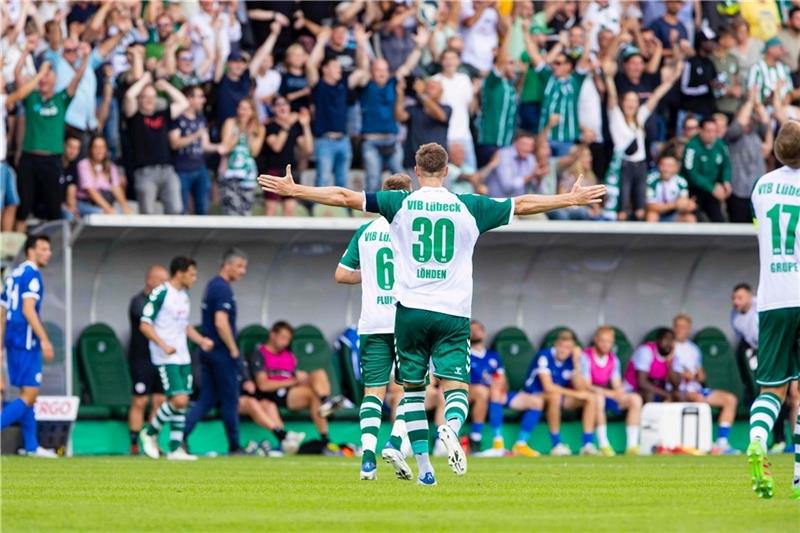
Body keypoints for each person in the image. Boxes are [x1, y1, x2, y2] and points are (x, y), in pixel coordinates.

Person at [258, 143, 606, 485]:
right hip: (453, 313)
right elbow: (524, 203)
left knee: (410, 393)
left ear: (416, 168)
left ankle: (424, 467)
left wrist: (295, 190)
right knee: (456, 387)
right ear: (448, 170)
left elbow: (343, 196)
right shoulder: (469, 205)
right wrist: (569, 199)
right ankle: (451, 428)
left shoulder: (400, 202)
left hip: (409, 313)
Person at [334, 174, 414, 481]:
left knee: (373, 392)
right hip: (404, 318)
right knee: (415, 386)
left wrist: (368, 275)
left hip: (371, 321)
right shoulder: (410, 228)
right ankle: (395, 441)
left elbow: (341, 275)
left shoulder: (366, 231)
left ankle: (367, 459)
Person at [746, 121, 800, 500]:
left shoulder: (762, 186)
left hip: (772, 298)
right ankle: (799, 474)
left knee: (772, 389)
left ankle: (757, 440)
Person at [138, 257, 213, 461]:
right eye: (192, 273)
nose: (194, 278)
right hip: (165, 356)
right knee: (178, 399)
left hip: (183, 355)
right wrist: (163, 344)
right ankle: (150, 432)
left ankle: (174, 448)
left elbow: (184, 325)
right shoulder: (161, 292)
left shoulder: (184, 296)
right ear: (179, 273)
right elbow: (144, 324)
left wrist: (201, 340)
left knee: (183, 400)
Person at [184, 249, 248, 455]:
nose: (243, 271)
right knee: (230, 399)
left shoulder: (213, 285)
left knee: (206, 400)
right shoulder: (222, 288)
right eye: (239, 266)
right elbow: (221, 323)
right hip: (221, 353)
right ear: (226, 265)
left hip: (209, 352)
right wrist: (233, 349)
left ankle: (180, 437)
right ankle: (235, 445)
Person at [603, 57, 683, 220]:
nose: (631, 104)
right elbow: (611, 96)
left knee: (640, 206)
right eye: (628, 101)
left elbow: (655, 97)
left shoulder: (640, 117)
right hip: (624, 165)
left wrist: (672, 79)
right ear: (623, 102)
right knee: (622, 205)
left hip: (640, 164)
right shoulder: (616, 117)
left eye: (635, 101)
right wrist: (609, 77)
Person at [0, 235, 57, 457]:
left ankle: (32, 447)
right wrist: (44, 338)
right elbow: (28, 309)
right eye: (44, 248)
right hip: (26, 340)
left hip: (12, 340)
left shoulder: (13, 275)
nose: (48, 253)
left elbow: (2, 313)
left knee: (26, 392)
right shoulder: (32, 274)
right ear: (31, 251)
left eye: (49, 249)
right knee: (30, 394)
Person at [15, 59, 87, 232]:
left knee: (54, 208)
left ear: (55, 81)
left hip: (52, 160)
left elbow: (77, 78)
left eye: (48, 76)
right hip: (30, 158)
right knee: (23, 206)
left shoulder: (60, 99)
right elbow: (17, 74)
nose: (44, 80)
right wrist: (26, 52)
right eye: (42, 77)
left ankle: (53, 249)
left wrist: (85, 57)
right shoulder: (31, 97)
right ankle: (14, 250)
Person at [251, 322, 344, 451]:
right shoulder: (260, 353)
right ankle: (325, 426)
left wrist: (301, 377)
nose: (285, 342)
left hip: (294, 390)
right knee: (313, 395)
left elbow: (294, 374)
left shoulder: (288, 355)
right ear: (273, 335)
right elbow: (263, 385)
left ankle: (325, 402)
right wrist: (293, 381)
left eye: (288, 339)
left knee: (319, 373)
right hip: (277, 394)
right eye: (283, 338)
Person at [731, 283, 800, 454]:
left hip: (783, 347)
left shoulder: (763, 303)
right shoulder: (735, 318)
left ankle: (786, 441)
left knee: (792, 396)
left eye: (739, 297)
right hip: (765, 353)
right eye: (734, 298)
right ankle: (779, 440)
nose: (736, 302)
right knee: (775, 395)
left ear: (749, 296)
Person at [306, 27, 369, 190]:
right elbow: (311, 65)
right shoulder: (318, 86)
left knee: (343, 182)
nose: (339, 70)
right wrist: (320, 42)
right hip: (324, 140)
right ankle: (319, 213)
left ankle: (343, 213)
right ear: (325, 69)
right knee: (323, 179)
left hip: (343, 140)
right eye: (335, 67)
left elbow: (362, 70)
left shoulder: (344, 85)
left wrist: (361, 44)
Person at [523, 331, 599, 456]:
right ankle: (556, 444)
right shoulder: (544, 356)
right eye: (561, 346)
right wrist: (575, 394)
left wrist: (576, 362)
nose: (564, 350)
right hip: (535, 394)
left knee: (590, 398)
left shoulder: (571, 360)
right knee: (555, 396)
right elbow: (548, 387)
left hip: (558, 396)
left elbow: (581, 388)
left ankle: (587, 444)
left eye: (568, 348)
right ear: (556, 345)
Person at [671, 314, 739, 453]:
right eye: (677, 326)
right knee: (698, 399)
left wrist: (699, 375)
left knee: (730, 399)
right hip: (680, 391)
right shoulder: (669, 346)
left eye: (683, 327)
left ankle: (722, 443)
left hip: (696, 389)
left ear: (689, 329)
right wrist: (684, 375)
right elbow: (668, 371)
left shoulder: (693, 349)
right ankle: (705, 442)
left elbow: (701, 375)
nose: (680, 329)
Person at [124, 73, 188, 215]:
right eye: (145, 97)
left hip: (167, 170)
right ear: (140, 99)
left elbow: (184, 103)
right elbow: (129, 96)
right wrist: (144, 80)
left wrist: (166, 87)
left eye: (152, 97)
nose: (149, 100)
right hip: (145, 172)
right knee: (147, 213)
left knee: (176, 208)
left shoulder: (163, 114)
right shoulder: (135, 117)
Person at [127, 265, 169, 455]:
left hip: (160, 359)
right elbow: (150, 322)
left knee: (160, 400)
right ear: (150, 281)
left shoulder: (165, 303)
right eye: (161, 281)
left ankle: (151, 441)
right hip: (141, 359)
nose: (165, 286)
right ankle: (134, 444)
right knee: (140, 401)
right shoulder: (138, 302)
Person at [582, 326, 642, 456]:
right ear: (596, 340)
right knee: (598, 398)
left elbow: (617, 384)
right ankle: (604, 445)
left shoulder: (613, 359)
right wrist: (609, 393)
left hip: (607, 395)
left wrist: (619, 393)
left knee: (635, 399)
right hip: (590, 396)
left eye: (608, 341)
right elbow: (586, 385)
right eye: (602, 340)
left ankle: (632, 446)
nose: (605, 344)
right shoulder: (585, 357)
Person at [168, 85, 220, 215]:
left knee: (203, 208)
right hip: (182, 168)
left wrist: (220, 147)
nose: (203, 100)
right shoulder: (177, 119)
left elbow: (205, 145)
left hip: (200, 167)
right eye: (200, 97)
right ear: (189, 99)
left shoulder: (201, 119)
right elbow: (174, 143)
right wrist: (195, 135)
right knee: (182, 209)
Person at [260, 97, 313, 217]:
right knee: (270, 209)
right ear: (273, 109)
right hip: (273, 170)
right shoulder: (270, 126)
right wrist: (287, 124)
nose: (282, 107)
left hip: (289, 172)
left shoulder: (294, 127)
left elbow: (308, 149)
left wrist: (305, 126)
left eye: (285, 104)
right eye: (278, 105)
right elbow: (277, 147)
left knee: (290, 210)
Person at [218, 99, 265, 216]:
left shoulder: (259, 128)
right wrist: (239, 130)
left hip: (247, 174)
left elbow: (254, 152)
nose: (242, 111)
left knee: (246, 211)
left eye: (245, 109)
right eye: (240, 108)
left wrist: (249, 134)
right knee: (231, 210)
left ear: (252, 111)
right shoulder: (230, 123)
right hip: (230, 171)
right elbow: (226, 147)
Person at [466, 320, 507, 455]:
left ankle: (498, 441)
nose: (475, 332)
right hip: (470, 391)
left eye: (478, 329)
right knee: (482, 391)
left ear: (483, 333)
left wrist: (500, 387)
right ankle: (475, 439)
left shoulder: (493, 355)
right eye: (471, 330)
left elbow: (503, 380)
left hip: (492, 393)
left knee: (496, 391)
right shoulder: (465, 354)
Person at [680, 118, 732, 222]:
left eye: (714, 131)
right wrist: (712, 187)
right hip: (694, 190)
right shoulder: (691, 146)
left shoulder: (720, 144)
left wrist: (726, 181)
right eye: (708, 131)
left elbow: (726, 164)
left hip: (712, 191)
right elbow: (691, 174)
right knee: (697, 220)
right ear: (700, 130)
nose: (712, 134)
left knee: (720, 221)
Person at [76, 136, 131, 216]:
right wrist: (108, 209)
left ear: (106, 150)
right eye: (96, 147)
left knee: (123, 213)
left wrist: (125, 207)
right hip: (86, 203)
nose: (99, 151)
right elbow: (91, 191)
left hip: (105, 203)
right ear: (90, 149)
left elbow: (116, 188)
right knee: (103, 213)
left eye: (102, 147)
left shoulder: (111, 167)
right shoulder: (83, 165)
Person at [624, 327, 676, 403]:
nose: (669, 343)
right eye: (666, 339)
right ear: (658, 340)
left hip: (657, 391)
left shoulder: (671, 354)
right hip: (631, 390)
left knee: (678, 395)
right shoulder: (646, 351)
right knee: (650, 394)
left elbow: (676, 384)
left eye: (672, 340)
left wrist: (670, 365)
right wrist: (665, 394)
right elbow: (642, 382)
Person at [645, 152, 696, 223]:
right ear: (658, 166)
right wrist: (674, 205)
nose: (666, 169)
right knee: (651, 215)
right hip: (657, 214)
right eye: (663, 165)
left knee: (690, 218)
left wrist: (688, 206)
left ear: (676, 168)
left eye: (670, 166)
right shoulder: (651, 179)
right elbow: (651, 206)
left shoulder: (681, 182)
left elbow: (683, 203)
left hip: (674, 215)